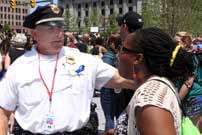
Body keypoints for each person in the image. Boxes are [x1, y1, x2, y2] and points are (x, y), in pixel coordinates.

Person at [0, 4, 137, 135]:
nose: (59, 34)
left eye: (60, 28)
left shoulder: (83, 60)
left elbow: (119, 79)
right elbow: (3, 111)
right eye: (51, 29)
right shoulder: (20, 67)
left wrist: (148, 83)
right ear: (34, 34)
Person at [115, 28, 194, 134]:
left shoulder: (150, 101)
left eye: (122, 49)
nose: (118, 55)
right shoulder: (155, 88)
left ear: (138, 58)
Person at [115, 11, 143, 116]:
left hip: (131, 97)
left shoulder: (128, 47)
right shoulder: (146, 43)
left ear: (125, 27)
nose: (119, 29)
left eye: (120, 25)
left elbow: (124, 75)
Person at [175, 31, 202, 132]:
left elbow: (188, 83)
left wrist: (175, 100)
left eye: (176, 42)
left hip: (194, 99)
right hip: (191, 98)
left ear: (184, 43)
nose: (174, 44)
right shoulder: (180, 57)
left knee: (189, 130)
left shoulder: (191, 57)